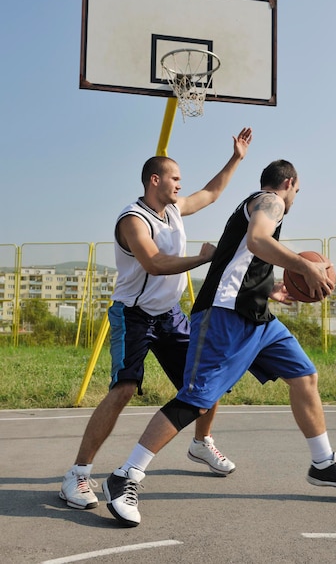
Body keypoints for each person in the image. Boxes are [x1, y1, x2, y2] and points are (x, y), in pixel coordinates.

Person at [100, 157, 336, 528]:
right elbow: (257, 240)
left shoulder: (262, 205)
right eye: (298, 190)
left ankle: (323, 463)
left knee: (304, 375)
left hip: (256, 315)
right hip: (223, 315)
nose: (295, 197)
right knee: (196, 398)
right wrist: (303, 266)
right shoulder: (270, 201)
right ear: (290, 183)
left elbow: (244, 259)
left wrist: (270, 288)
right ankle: (125, 476)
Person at [59, 127, 252, 510]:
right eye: (175, 178)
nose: (181, 184)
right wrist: (202, 258)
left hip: (170, 316)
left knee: (205, 380)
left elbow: (211, 193)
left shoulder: (173, 211)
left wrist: (236, 159)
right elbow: (154, 262)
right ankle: (77, 475)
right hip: (134, 316)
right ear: (155, 180)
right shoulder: (133, 220)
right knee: (124, 390)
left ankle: (200, 443)